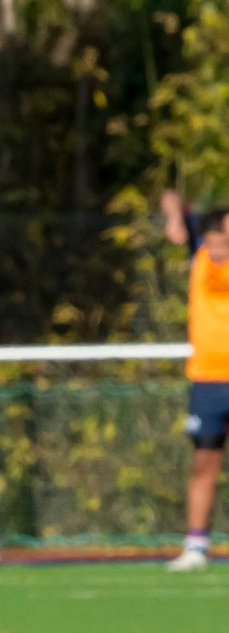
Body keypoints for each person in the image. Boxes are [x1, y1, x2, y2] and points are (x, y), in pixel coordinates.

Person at [159, 193, 229, 573]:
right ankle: (196, 545)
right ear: (212, 236)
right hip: (207, 380)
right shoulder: (199, 254)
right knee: (204, 461)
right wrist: (172, 217)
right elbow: (171, 197)